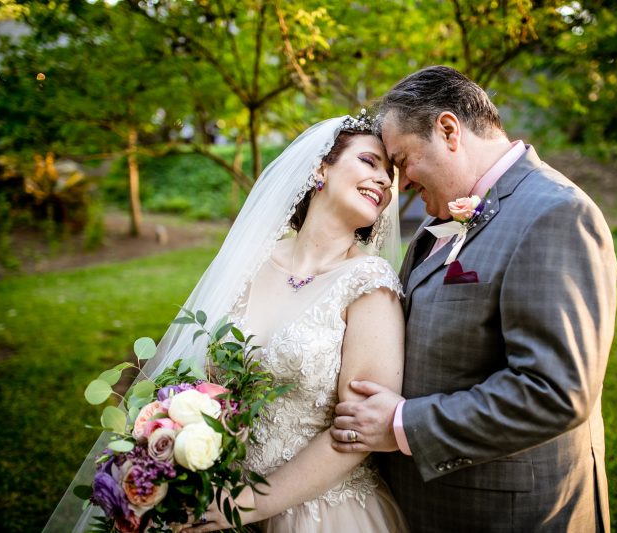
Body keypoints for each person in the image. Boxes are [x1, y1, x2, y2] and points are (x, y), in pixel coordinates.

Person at [44, 114, 409, 533]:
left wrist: (248, 502)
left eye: (390, 173)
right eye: (370, 162)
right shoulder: (251, 262)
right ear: (321, 167)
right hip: (214, 499)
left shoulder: (371, 284)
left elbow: (357, 432)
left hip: (320, 514)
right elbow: (195, 380)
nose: (384, 180)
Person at [330, 66, 617, 532]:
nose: (399, 183)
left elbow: (554, 392)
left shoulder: (556, 213)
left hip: (511, 513)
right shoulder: (435, 223)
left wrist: (403, 424)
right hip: (431, 505)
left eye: (402, 160)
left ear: (448, 130)